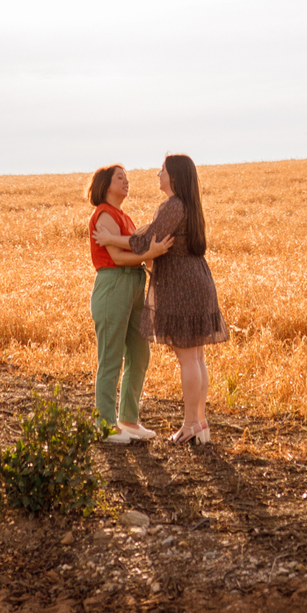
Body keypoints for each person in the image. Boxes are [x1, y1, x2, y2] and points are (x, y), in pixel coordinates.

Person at [106, 153, 227, 445]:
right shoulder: (190, 206)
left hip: (181, 285)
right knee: (196, 356)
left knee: (188, 357)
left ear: (173, 177)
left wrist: (110, 239)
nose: (157, 174)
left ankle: (189, 426)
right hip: (198, 280)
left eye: (162, 170)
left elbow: (146, 242)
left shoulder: (173, 205)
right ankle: (201, 424)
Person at [87, 163, 174, 446]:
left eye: (127, 178)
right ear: (105, 184)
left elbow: (136, 251)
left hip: (135, 284)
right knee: (111, 357)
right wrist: (149, 252)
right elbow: (118, 257)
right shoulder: (103, 214)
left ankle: (128, 419)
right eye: (120, 178)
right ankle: (105, 425)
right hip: (114, 284)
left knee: (140, 353)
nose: (126, 181)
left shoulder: (123, 216)